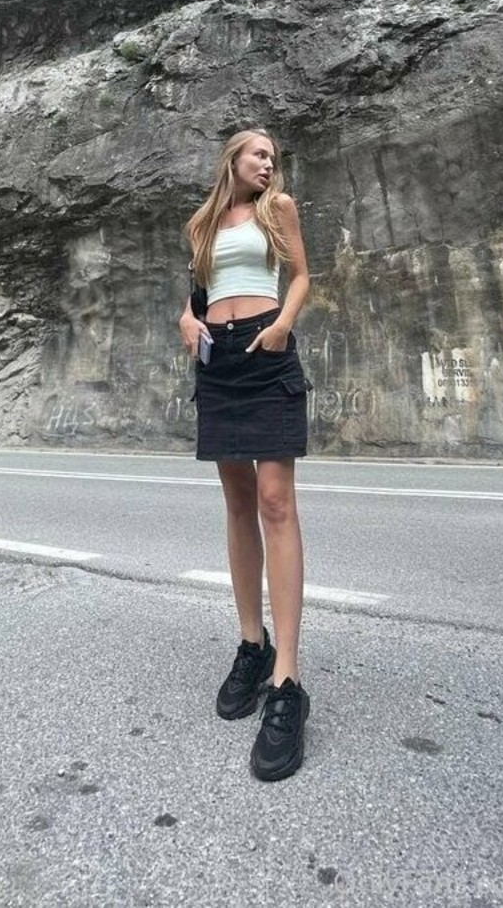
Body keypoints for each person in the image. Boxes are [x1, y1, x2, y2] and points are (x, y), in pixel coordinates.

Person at [180, 127, 313, 781]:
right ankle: (251, 644)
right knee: (236, 504)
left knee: (274, 502)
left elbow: (302, 275)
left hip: (266, 348)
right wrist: (186, 317)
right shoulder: (202, 223)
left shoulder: (277, 209)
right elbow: (197, 294)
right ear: (232, 157)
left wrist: (284, 322)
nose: (267, 163)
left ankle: (287, 679)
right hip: (219, 363)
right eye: (258, 153)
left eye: (273, 158)